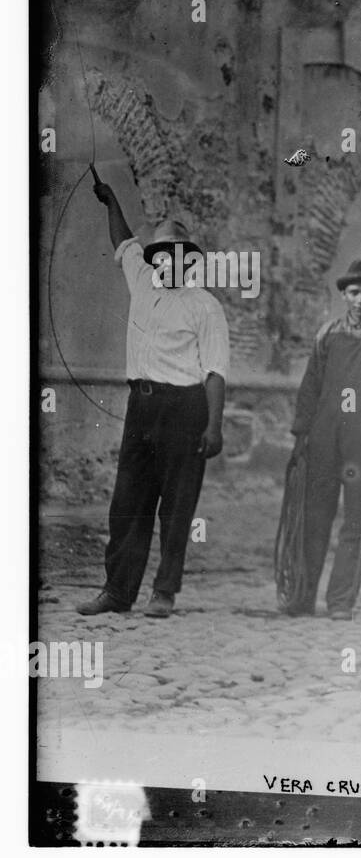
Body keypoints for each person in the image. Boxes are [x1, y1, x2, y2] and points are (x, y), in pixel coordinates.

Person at [77, 185, 229, 619]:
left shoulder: (205, 306)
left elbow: (215, 371)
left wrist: (213, 426)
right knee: (127, 502)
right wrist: (111, 202)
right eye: (161, 253)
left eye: (177, 255)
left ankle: (164, 592)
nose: (168, 260)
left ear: (189, 260)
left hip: (185, 409)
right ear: (155, 258)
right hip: (140, 410)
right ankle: (117, 592)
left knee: (177, 508)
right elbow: (124, 241)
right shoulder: (142, 282)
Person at [288, 260, 361, 619]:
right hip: (324, 439)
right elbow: (310, 386)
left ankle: (340, 600)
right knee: (314, 517)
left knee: (355, 520)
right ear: (343, 295)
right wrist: (300, 435)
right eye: (354, 292)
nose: (360, 299)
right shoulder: (328, 334)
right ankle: (302, 594)